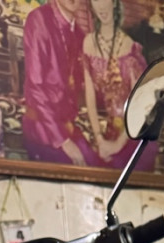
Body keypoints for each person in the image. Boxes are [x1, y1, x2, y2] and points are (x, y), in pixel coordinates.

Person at [82, 0, 155, 170]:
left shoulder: (130, 47)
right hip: (108, 134)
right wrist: (100, 139)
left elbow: (141, 104)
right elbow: (90, 98)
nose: (101, 6)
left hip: (135, 135)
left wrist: (117, 145)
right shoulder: (88, 43)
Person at [21, 0, 96, 167]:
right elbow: (35, 87)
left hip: (67, 127)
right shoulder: (39, 20)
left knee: (97, 164)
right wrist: (63, 141)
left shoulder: (78, 33)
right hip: (43, 130)